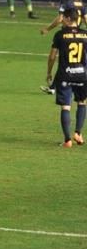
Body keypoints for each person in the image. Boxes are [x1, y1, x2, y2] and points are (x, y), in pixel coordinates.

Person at [46, 8, 87, 148]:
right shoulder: (85, 35)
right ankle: (78, 133)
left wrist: (49, 72)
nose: (61, 19)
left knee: (66, 106)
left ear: (69, 19)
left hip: (65, 75)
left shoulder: (60, 35)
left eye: (63, 17)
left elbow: (52, 56)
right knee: (82, 102)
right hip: (82, 74)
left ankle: (68, 140)